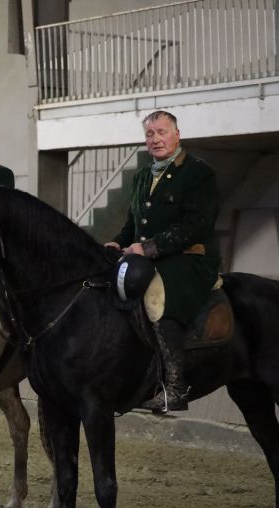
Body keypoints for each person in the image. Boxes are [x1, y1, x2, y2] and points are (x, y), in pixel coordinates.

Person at [106, 110, 220, 412]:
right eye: (150, 134)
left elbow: (196, 225)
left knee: (155, 294)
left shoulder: (198, 173)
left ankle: (175, 388)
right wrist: (118, 241)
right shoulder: (143, 175)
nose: (155, 139)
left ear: (177, 135)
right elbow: (134, 223)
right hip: (150, 256)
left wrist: (148, 248)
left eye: (161, 132)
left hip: (191, 258)